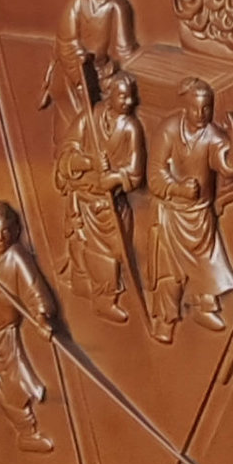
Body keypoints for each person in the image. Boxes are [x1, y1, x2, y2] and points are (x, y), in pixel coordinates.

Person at [146, 77, 233, 341]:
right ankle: (165, 320)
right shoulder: (169, 130)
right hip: (171, 211)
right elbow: (154, 174)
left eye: (207, 108)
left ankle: (204, 306)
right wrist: (177, 188)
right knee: (169, 272)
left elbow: (228, 166)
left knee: (208, 260)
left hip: (200, 214)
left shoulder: (213, 134)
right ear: (186, 107)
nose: (201, 114)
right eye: (196, 108)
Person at [0, 202, 58, 453]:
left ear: (15, 231)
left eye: (5, 231)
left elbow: (33, 290)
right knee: (8, 385)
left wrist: (41, 319)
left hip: (5, 334)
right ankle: (26, 431)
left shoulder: (16, 257)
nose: (0, 238)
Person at [54, 70, 144, 322]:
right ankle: (102, 299)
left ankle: (104, 296)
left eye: (131, 97)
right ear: (110, 95)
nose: (128, 102)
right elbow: (65, 155)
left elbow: (135, 173)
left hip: (110, 205)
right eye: (123, 96)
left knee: (114, 251)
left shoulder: (130, 128)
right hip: (85, 201)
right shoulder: (89, 120)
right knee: (84, 249)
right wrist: (87, 161)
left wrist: (115, 178)